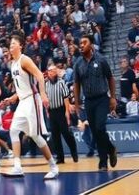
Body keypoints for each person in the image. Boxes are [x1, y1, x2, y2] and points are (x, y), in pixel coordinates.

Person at [0, 31, 59, 179]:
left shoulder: (24, 60)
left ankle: (53, 166)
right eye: (10, 43)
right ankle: (17, 167)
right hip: (22, 101)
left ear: (20, 46)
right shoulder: (12, 64)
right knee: (13, 131)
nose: (11, 45)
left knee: (35, 135)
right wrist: (12, 98)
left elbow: (39, 75)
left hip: (33, 100)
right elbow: (21, 87)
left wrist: (44, 94)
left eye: (14, 43)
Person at [73, 34, 118, 170]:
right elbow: (76, 83)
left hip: (102, 99)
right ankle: (110, 149)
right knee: (95, 131)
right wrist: (76, 103)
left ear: (91, 45)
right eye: (80, 43)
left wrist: (113, 97)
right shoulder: (78, 64)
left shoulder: (101, 59)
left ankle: (103, 161)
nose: (81, 45)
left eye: (84, 42)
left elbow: (110, 78)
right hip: (88, 101)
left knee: (99, 128)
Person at [44, 63, 78, 164]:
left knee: (66, 133)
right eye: (49, 71)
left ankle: (74, 151)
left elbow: (66, 98)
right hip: (52, 111)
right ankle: (60, 157)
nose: (50, 73)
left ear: (55, 72)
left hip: (61, 110)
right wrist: (47, 111)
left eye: (52, 71)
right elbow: (46, 98)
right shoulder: (46, 84)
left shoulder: (61, 83)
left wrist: (67, 112)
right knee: (55, 135)